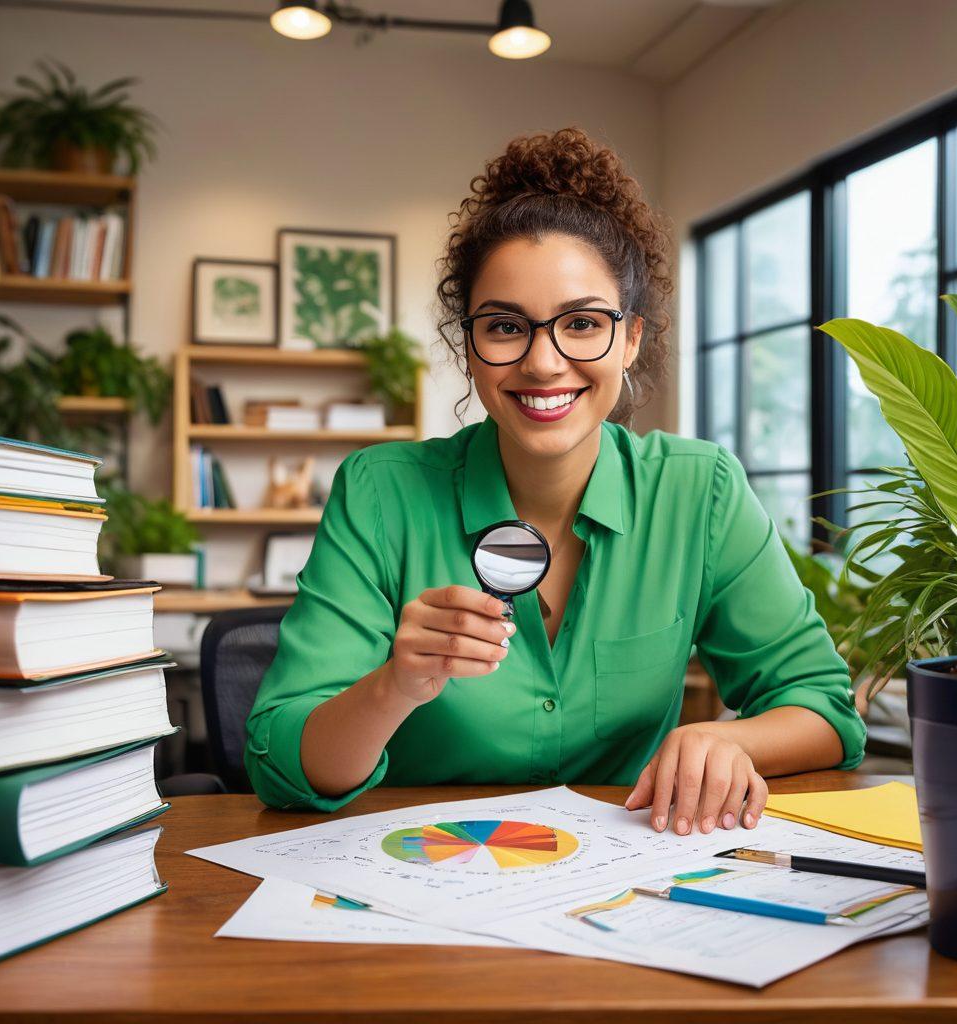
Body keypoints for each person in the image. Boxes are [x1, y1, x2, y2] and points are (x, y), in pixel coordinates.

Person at [245, 127, 865, 835]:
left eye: (581, 324)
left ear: (631, 338)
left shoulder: (701, 492)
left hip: (627, 885)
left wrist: (726, 739)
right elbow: (280, 762)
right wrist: (394, 687)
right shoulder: (381, 493)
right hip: (427, 883)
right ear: (468, 347)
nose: (544, 363)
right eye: (507, 327)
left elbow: (823, 708)